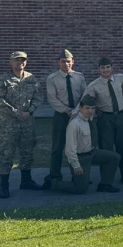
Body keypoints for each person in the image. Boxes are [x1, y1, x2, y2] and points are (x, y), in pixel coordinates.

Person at [47, 94, 121, 194]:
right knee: (81, 189)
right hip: (80, 158)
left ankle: (105, 184)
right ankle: (52, 183)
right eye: (87, 108)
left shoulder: (88, 118)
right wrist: (76, 165)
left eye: (92, 108)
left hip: (92, 153)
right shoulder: (74, 124)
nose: (90, 111)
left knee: (114, 157)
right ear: (80, 108)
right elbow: (69, 149)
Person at [0, 51, 44, 198]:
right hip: (8, 124)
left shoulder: (31, 78)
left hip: (27, 122)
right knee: (6, 153)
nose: (20, 63)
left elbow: (38, 97)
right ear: (11, 62)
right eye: (16, 60)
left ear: (26, 62)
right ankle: (4, 186)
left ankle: (26, 181)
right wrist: (16, 112)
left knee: (27, 151)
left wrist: (30, 112)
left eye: (23, 60)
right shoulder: (3, 79)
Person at [44, 49, 86, 186]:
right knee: (58, 147)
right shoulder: (52, 78)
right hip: (61, 116)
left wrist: (76, 111)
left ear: (73, 62)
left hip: (78, 115)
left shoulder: (79, 77)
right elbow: (52, 98)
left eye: (68, 61)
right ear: (58, 63)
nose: (66, 64)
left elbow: (84, 96)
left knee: (79, 147)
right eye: (63, 61)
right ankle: (55, 175)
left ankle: (78, 175)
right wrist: (68, 110)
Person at [82, 57, 123, 158]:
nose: (106, 70)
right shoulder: (93, 85)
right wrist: (76, 114)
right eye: (103, 67)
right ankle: (108, 173)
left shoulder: (120, 78)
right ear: (98, 69)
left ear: (112, 68)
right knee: (106, 148)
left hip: (121, 116)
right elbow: (84, 102)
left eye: (108, 67)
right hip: (106, 118)